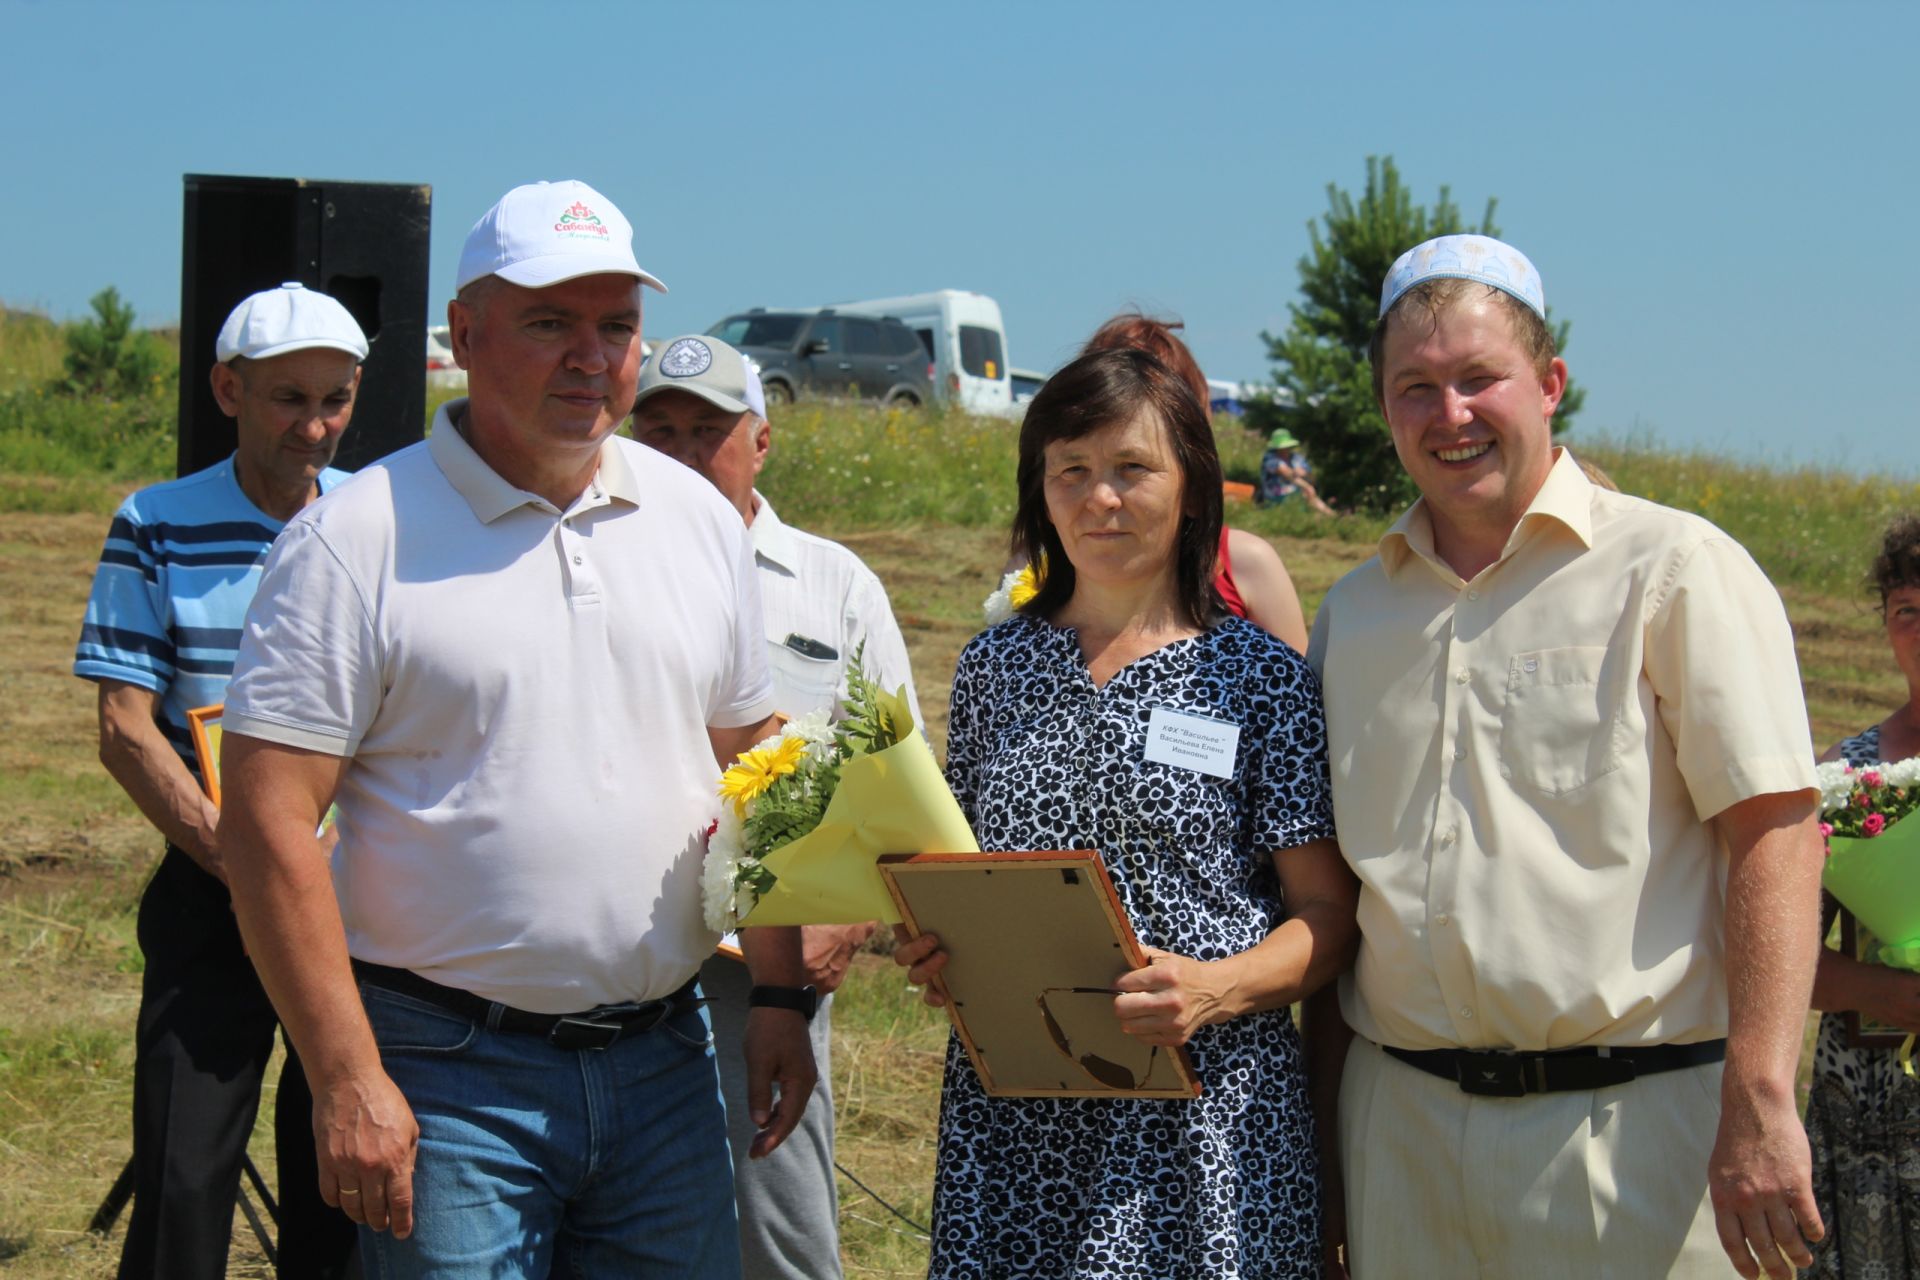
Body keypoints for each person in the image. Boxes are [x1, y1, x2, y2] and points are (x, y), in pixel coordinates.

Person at [212, 180, 817, 1278]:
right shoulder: (354, 539)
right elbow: (264, 821)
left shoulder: (696, 521)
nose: (592, 356)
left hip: (667, 1057)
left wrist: (777, 990)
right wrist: (347, 1075)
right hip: (444, 1073)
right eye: (550, 322)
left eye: (617, 326)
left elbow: (755, 760)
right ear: (464, 335)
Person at [1307, 234, 1827, 1278]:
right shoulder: (1353, 615)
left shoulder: (1675, 570)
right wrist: (1325, 1144)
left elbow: (1775, 831)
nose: (1449, 415)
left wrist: (1763, 1097)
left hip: (1638, 1134)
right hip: (1399, 1127)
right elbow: (1341, 893)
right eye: (1415, 388)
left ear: (1549, 383)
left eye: (1477, 378)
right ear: (1384, 412)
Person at [894, 346, 1360, 1278]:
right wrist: (940, 953)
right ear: (1041, 491)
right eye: (1071, 470)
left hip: (1206, 1125)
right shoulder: (994, 669)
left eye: (1131, 469)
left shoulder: (1261, 679)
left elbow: (1330, 917)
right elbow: (967, 877)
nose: (1100, 498)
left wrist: (1213, 988)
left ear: (1191, 488)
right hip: (1018, 1119)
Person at [74, 282, 365, 1280]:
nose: (315, 424)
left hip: (357, 894)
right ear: (227, 389)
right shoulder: (155, 520)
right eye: (289, 398)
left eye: (336, 397)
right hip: (216, 890)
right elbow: (123, 728)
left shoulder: (384, 519)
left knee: (346, 1174)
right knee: (186, 1179)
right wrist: (241, 856)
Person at [632, 333, 921, 1280]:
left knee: (780, 1227)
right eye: (658, 429)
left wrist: (841, 921)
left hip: (770, 967)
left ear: (760, 441)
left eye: (705, 431)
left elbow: (896, 773)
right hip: (622, 959)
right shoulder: (592, 562)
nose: (679, 451)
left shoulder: (833, 582)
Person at [1803, 513, 1920, 1277]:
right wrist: (1898, 995)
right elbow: (1771, 949)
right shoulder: (1838, 780)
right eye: (1908, 611)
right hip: (1867, 1113)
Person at [1076, 312, 1309, 651]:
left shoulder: (1245, 565)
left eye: (1134, 464)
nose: (1103, 496)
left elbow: (1296, 694)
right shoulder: (1036, 571)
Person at [1256, 428, 1336, 517]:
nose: (1284, 450)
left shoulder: (1297, 458)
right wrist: (1307, 486)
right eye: (1281, 448)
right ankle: (1332, 516)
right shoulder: (1270, 459)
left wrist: (1305, 474)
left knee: (1309, 496)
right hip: (1275, 496)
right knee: (1307, 492)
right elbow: (1286, 473)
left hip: (1297, 495)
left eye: (1286, 447)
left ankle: (1333, 516)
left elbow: (1312, 478)